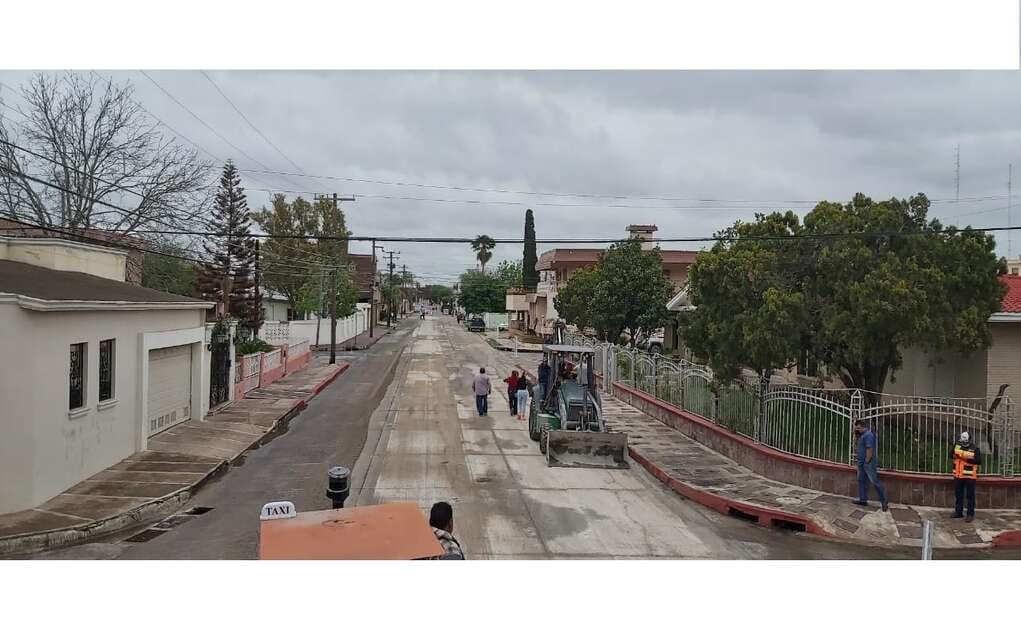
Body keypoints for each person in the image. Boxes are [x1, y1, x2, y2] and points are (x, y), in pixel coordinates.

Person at [853, 419, 889, 511]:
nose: (857, 430)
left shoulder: (868, 435)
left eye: (858, 428)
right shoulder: (862, 435)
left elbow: (870, 449)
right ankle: (863, 499)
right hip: (861, 462)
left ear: (863, 427)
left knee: (874, 481)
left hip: (868, 463)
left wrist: (867, 461)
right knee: (861, 480)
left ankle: (884, 501)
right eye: (856, 428)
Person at [952, 431, 982, 522]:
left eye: (964, 441)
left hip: (970, 476)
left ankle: (970, 514)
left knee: (970, 496)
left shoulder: (974, 448)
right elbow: (951, 454)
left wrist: (964, 458)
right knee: (958, 495)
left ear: (969, 440)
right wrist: (954, 455)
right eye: (962, 441)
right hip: (958, 475)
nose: (963, 443)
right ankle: (958, 512)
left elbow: (978, 461)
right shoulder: (957, 445)